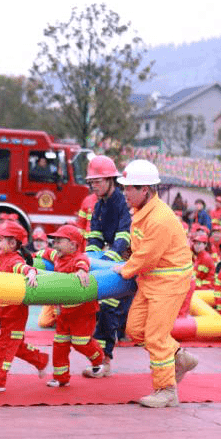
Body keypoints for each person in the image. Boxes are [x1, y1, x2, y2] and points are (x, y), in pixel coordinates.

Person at [113, 159, 199, 408]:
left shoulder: (159, 218)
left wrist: (125, 268)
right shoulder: (142, 211)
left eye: (130, 188)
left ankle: (166, 390)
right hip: (151, 280)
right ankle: (179, 358)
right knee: (136, 330)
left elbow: (147, 256)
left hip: (169, 282)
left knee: (155, 337)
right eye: (125, 188)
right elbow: (140, 250)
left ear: (146, 190)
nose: (125, 193)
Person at [0, 220, 49, 393]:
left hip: (15, 314)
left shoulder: (13, 260)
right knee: (15, 346)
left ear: (12, 243)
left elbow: (23, 268)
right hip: (4, 312)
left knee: (5, 348)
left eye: (1, 240)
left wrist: (32, 272)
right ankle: (40, 360)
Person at [83, 155, 131, 376]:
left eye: (98, 181)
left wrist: (110, 256)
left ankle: (105, 361)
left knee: (111, 309)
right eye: (91, 182)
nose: (94, 186)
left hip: (128, 263)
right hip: (111, 263)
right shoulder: (98, 205)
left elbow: (125, 234)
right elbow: (95, 235)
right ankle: (104, 363)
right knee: (104, 310)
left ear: (111, 180)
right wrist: (90, 255)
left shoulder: (123, 203)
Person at [46, 224, 104, 387]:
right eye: (54, 241)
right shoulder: (58, 257)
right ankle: (61, 377)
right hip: (64, 312)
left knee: (80, 342)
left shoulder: (78, 258)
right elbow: (46, 253)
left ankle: (98, 358)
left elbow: (83, 262)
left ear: (73, 244)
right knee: (60, 344)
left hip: (82, 311)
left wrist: (82, 271)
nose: (55, 244)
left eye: (59, 241)